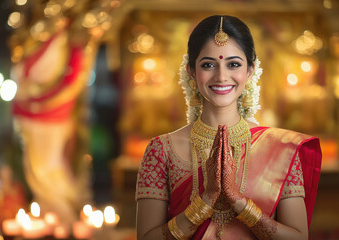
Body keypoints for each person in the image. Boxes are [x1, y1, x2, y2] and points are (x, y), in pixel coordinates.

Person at [135, 15, 322, 240]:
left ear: (250, 70)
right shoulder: (162, 150)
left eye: (233, 64)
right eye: (208, 65)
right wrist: (206, 200)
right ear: (191, 71)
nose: (222, 76)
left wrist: (238, 201)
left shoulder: (281, 149)